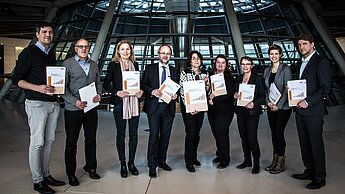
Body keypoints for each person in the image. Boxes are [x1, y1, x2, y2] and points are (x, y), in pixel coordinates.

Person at [12, 22, 66, 194]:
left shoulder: (50, 53)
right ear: (37, 34)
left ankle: (46, 174)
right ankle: (38, 181)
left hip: (52, 103)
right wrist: (38, 88)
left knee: (49, 141)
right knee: (37, 142)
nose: (48, 35)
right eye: (44, 32)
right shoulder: (28, 53)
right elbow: (17, 79)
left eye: (50, 32)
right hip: (37, 103)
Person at [61, 38, 102, 186]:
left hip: (90, 109)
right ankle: (71, 174)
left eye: (86, 46)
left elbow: (98, 83)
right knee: (71, 142)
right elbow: (62, 88)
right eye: (80, 46)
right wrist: (75, 101)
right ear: (75, 48)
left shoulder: (94, 64)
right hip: (73, 110)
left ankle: (91, 167)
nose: (83, 49)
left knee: (91, 140)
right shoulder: (67, 64)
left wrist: (99, 94)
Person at [292, 33, 331, 190]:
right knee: (305, 143)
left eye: (305, 44)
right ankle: (309, 170)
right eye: (300, 44)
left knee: (315, 144)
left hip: (313, 111)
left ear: (312, 44)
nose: (302, 47)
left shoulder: (321, 62)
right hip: (300, 110)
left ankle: (320, 177)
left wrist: (308, 101)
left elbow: (325, 88)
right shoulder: (299, 63)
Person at [103, 40, 143, 178]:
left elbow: (138, 84)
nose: (126, 51)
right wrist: (116, 92)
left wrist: (140, 92)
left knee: (134, 135)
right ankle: (123, 163)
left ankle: (132, 163)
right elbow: (106, 84)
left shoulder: (135, 65)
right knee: (121, 135)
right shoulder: (113, 65)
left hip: (134, 104)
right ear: (118, 51)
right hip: (120, 104)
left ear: (131, 51)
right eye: (123, 49)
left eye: (128, 49)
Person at [141, 44, 179, 178]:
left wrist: (176, 95)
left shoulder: (174, 70)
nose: (165, 55)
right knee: (153, 137)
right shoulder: (150, 69)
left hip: (168, 108)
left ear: (170, 56)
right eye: (163, 53)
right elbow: (143, 84)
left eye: (168, 53)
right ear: (158, 54)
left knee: (165, 137)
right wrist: (152, 91)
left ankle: (162, 161)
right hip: (154, 108)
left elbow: (177, 88)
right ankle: (152, 165)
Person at [263, 44, 292, 174]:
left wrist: (278, 105)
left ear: (280, 55)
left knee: (279, 133)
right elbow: (266, 90)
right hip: (270, 106)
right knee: (273, 133)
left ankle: (281, 162)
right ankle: (275, 160)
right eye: (271, 54)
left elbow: (287, 90)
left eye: (276, 54)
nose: (273, 56)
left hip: (283, 108)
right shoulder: (267, 70)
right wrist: (268, 102)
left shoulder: (286, 69)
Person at [179, 51, 209, 173]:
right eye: (193, 58)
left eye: (198, 58)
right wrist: (190, 107)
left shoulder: (204, 73)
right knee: (191, 134)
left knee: (197, 133)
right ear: (190, 61)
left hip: (200, 108)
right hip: (189, 109)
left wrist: (207, 84)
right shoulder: (184, 73)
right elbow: (182, 91)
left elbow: (206, 91)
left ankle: (194, 156)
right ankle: (188, 161)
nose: (196, 60)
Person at [234, 56, 265, 174]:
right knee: (243, 136)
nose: (245, 66)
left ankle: (256, 162)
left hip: (252, 112)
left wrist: (254, 103)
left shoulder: (257, 79)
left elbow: (262, 96)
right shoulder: (239, 78)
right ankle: (247, 160)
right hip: (241, 111)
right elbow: (236, 93)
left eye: (248, 64)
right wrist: (235, 96)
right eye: (243, 64)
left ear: (251, 65)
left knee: (252, 137)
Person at [207, 54, 236, 169]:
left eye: (223, 63)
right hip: (212, 111)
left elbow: (228, 94)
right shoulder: (210, 76)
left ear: (226, 65)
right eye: (218, 62)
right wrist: (209, 96)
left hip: (225, 111)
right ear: (215, 64)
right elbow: (207, 90)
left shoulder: (229, 78)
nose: (220, 65)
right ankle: (220, 154)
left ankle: (225, 159)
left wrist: (213, 100)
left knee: (222, 134)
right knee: (216, 134)